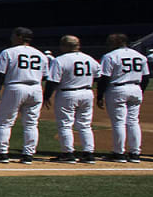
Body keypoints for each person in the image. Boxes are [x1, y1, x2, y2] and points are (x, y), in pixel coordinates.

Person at [0, 27, 48, 163]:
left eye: (13, 35)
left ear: (19, 37)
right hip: (35, 88)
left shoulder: (8, 52)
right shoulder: (40, 54)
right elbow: (45, 76)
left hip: (15, 86)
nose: (11, 38)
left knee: (5, 122)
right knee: (31, 124)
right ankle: (28, 155)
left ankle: (2, 153)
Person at [44, 35, 100, 164]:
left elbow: (52, 81)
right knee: (85, 125)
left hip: (68, 93)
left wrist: (47, 96)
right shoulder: (89, 58)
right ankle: (89, 154)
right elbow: (98, 76)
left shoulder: (60, 60)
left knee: (65, 124)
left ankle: (68, 153)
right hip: (87, 92)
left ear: (64, 46)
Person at [96, 32, 146, 163]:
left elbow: (105, 78)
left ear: (116, 43)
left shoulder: (110, 56)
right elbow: (145, 77)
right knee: (133, 121)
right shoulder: (140, 56)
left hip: (117, 88)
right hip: (136, 87)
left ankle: (119, 153)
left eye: (110, 42)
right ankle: (135, 153)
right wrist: (141, 90)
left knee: (119, 122)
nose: (107, 45)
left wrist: (100, 95)